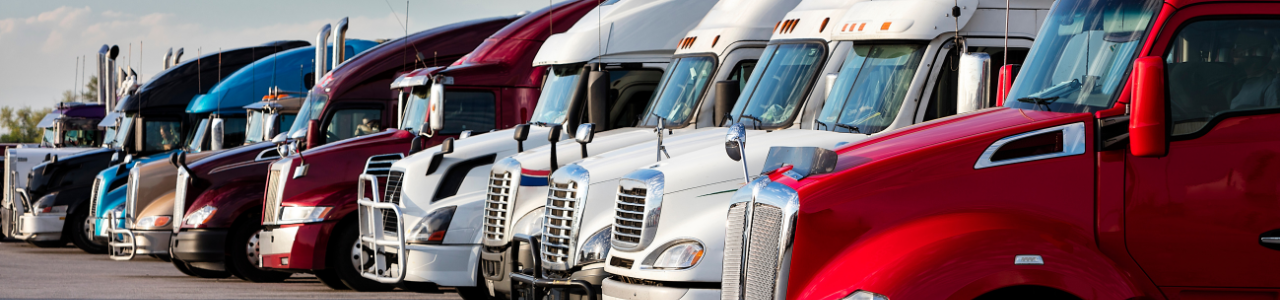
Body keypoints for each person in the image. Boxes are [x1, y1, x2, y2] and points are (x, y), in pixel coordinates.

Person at [1230, 31, 1280, 110]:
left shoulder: (1270, 85)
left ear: (1256, 52)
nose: (1233, 51)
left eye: (1238, 46)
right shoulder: (1239, 81)